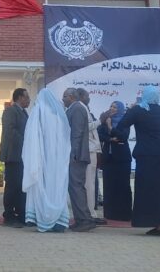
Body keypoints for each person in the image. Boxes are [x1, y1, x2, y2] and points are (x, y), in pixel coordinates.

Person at [112, 86, 160, 236]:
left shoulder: (138, 110)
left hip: (147, 154)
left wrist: (112, 128)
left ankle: (158, 225)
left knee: (149, 188)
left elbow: (121, 126)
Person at [22, 89, 71, 232]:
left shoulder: (38, 111)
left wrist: (33, 156)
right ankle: (59, 221)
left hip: (41, 157)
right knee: (56, 187)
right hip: (57, 159)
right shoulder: (58, 114)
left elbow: (32, 136)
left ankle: (43, 218)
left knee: (42, 186)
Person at [62, 88, 95, 232]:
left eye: (64, 97)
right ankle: (81, 219)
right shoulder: (74, 108)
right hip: (77, 155)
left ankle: (85, 220)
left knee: (76, 188)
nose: (63, 99)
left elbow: (77, 133)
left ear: (71, 97)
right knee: (74, 187)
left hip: (77, 156)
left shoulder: (76, 109)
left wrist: (73, 152)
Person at [0, 88, 30, 227]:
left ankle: (20, 214)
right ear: (19, 97)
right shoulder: (10, 111)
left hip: (22, 155)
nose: (29, 100)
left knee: (20, 186)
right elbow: (10, 131)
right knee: (12, 186)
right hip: (13, 155)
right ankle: (9, 215)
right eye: (26, 97)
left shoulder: (23, 112)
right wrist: (27, 141)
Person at [98, 101, 132, 222]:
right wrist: (110, 139)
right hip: (108, 158)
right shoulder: (105, 120)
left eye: (115, 107)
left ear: (120, 110)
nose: (112, 109)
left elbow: (123, 137)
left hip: (122, 159)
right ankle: (110, 213)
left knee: (123, 186)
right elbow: (99, 135)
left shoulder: (125, 121)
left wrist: (111, 128)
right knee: (109, 186)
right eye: (111, 106)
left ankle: (124, 214)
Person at [78, 89, 105, 225]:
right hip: (87, 150)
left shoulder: (84, 108)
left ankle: (91, 212)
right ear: (81, 96)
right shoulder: (80, 108)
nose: (89, 98)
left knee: (91, 183)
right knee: (89, 183)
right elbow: (86, 127)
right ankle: (89, 214)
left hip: (92, 149)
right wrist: (100, 120)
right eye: (87, 96)